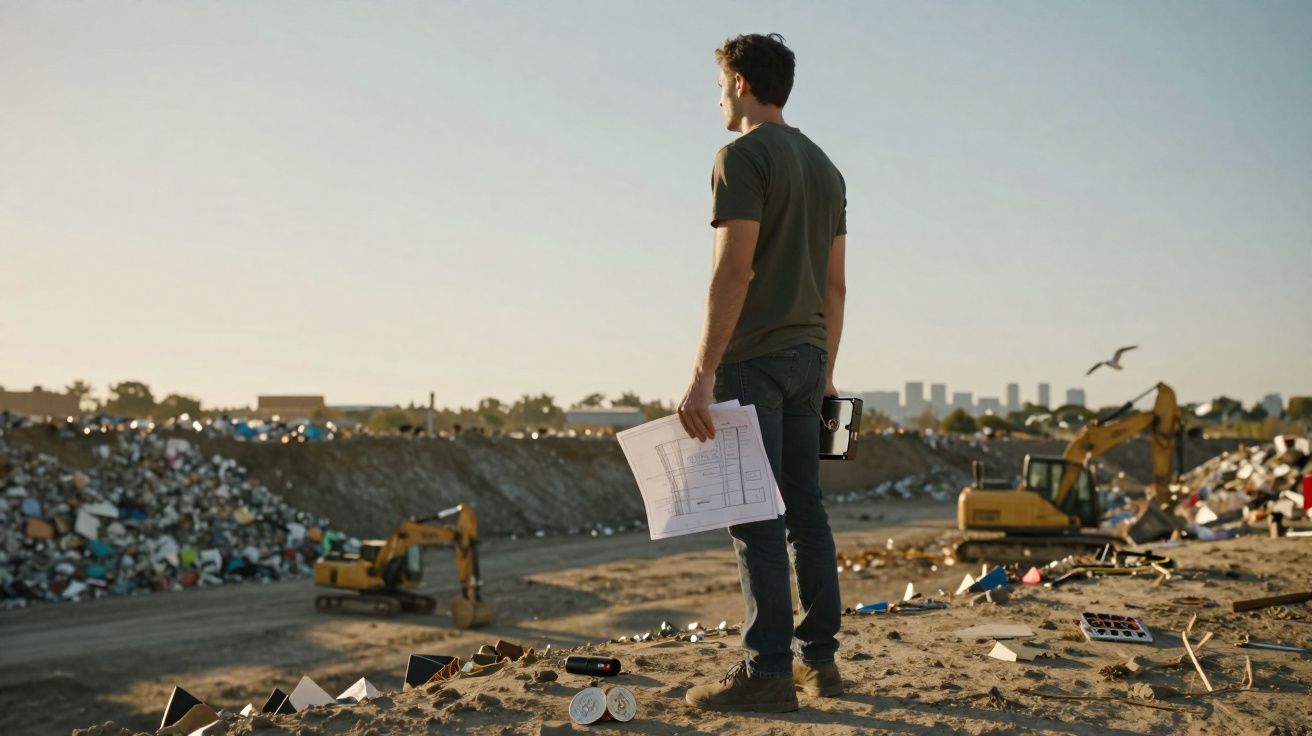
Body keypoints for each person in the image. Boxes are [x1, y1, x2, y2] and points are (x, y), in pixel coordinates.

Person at [678, 33, 848, 713]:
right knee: (806, 510)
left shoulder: (741, 157)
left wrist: (702, 374)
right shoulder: (827, 168)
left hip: (752, 361)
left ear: (742, 83)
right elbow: (836, 287)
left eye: (721, 85)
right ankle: (821, 663)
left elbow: (734, 271)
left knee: (754, 517)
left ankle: (768, 672)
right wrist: (827, 371)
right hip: (809, 359)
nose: (719, 98)